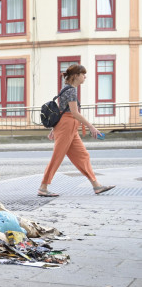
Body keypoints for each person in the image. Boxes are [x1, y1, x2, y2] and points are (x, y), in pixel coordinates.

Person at [38, 64, 115, 197]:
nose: (85, 77)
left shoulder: (66, 88)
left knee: (83, 155)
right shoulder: (71, 90)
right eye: (83, 74)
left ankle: (96, 185)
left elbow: (62, 111)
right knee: (57, 157)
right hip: (67, 126)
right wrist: (91, 126)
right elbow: (74, 112)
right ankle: (43, 187)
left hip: (68, 127)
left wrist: (54, 129)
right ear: (76, 76)